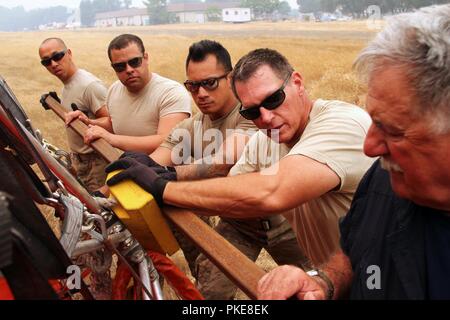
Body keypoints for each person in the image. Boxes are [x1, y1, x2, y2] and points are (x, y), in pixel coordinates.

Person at [105, 48, 375, 296]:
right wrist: (165, 175)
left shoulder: (341, 124)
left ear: (297, 82)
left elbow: (272, 191)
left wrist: (164, 187)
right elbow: (231, 190)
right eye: (253, 111)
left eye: (274, 99)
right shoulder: (267, 137)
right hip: (335, 274)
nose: (266, 117)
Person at [257, 5, 450, 300]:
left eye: (394, 131)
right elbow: (354, 252)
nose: (370, 147)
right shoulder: (383, 178)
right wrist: (324, 283)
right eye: (374, 121)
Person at [127, 40, 305, 300]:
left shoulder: (253, 112)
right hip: (239, 225)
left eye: (209, 83)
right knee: (210, 294)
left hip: (288, 223)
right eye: (193, 86)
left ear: (231, 78)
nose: (200, 93)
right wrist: (134, 167)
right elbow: (157, 160)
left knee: (319, 286)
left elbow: (224, 163)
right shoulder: (191, 128)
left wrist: (166, 178)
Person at [83, 34, 191, 153]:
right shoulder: (114, 90)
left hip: (164, 171)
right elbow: (114, 123)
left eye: (134, 62)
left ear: (146, 58)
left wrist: (111, 139)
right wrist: (89, 122)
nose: (129, 70)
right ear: (113, 67)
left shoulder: (171, 93)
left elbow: (167, 142)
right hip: (130, 168)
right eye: (120, 66)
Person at [39, 38, 109, 192]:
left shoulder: (89, 86)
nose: (53, 64)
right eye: (46, 62)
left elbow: (112, 123)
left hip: (97, 161)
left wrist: (88, 120)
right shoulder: (68, 85)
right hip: (79, 160)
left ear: (69, 53)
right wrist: (56, 105)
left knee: (101, 211)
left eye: (57, 56)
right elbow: (77, 120)